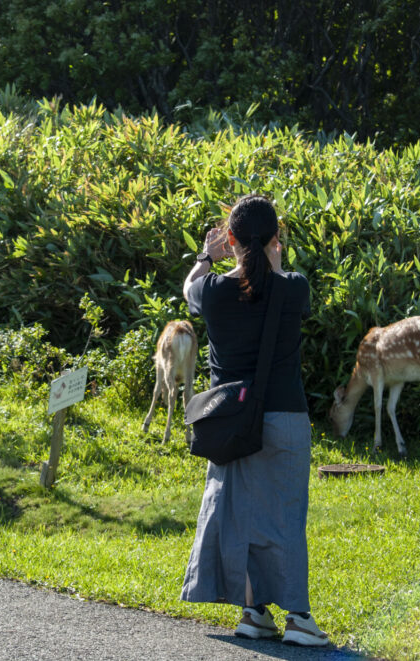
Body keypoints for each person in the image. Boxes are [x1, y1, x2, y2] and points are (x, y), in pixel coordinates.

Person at [179, 194, 328, 647]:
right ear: (275, 241)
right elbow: (280, 286)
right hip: (285, 416)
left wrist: (207, 255)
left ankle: (253, 611)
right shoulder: (294, 286)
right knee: (285, 516)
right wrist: (275, 262)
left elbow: (189, 292)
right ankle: (298, 618)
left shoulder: (213, 291)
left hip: (231, 419)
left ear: (231, 239)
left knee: (239, 512)